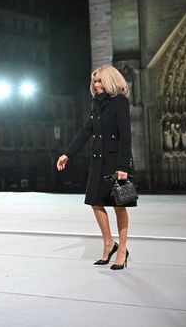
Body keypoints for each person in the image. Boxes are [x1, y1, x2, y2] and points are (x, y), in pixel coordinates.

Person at [56, 64, 135, 270]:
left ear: (109, 81)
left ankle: (122, 249)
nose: (96, 85)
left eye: (99, 81)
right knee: (94, 201)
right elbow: (85, 130)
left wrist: (123, 165)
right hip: (98, 160)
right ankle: (109, 243)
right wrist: (67, 154)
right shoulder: (96, 104)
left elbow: (126, 136)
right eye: (94, 81)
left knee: (119, 204)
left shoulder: (120, 102)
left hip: (116, 161)